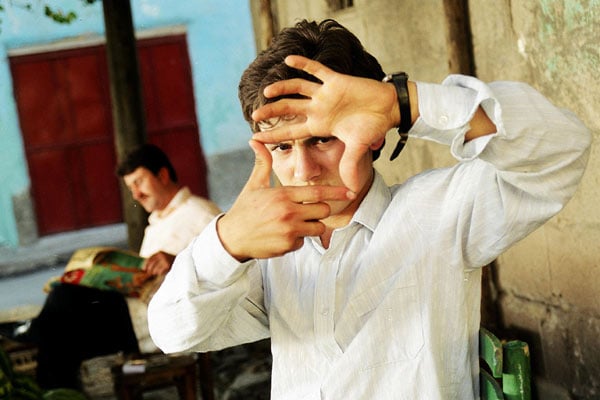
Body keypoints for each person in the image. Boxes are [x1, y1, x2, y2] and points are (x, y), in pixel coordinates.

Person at [147, 19, 591, 399]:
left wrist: (402, 102)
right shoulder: (265, 256)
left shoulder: (440, 213)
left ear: (373, 133)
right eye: (281, 147)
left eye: (322, 139)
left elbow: (561, 150)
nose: (303, 170)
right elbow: (174, 333)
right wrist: (226, 244)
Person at [6, 144, 220, 390]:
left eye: (139, 182)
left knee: (65, 297)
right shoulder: (155, 226)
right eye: (131, 187)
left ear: (162, 175)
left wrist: (175, 262)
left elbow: (225, 269)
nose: (136, 194)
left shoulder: (201, 213)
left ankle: (35, 331)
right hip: (135, 319)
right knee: (61, 342)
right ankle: (55, 390)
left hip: (159, 326)